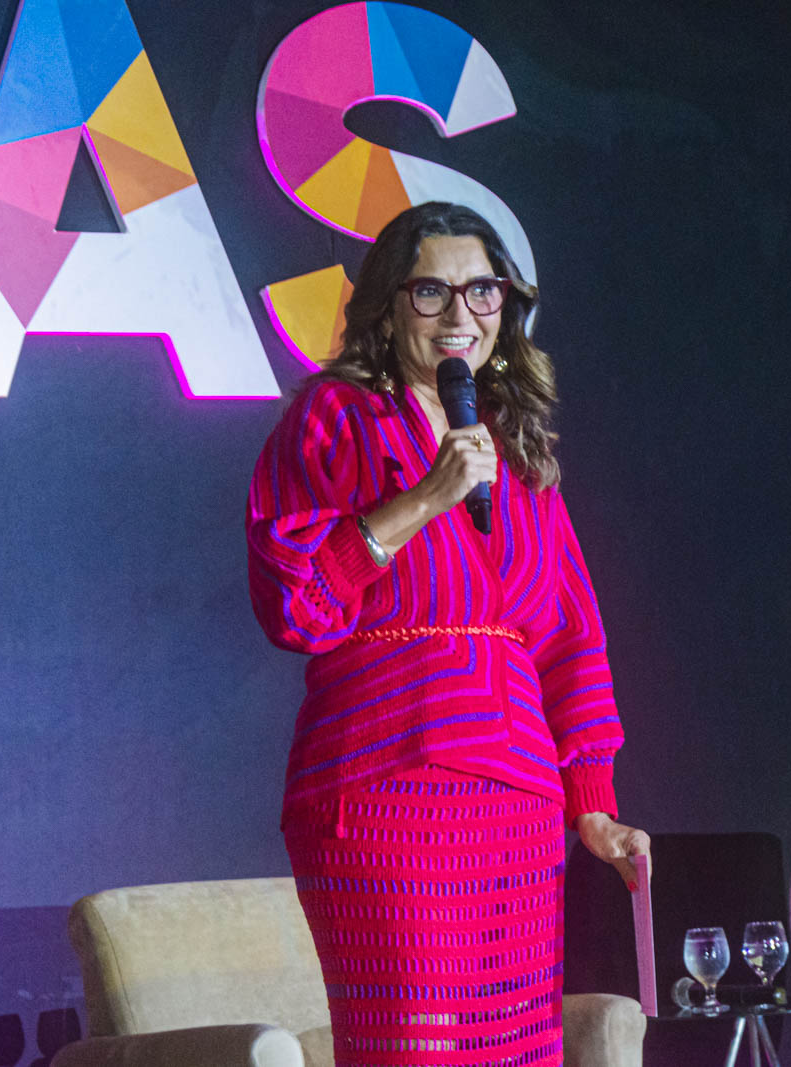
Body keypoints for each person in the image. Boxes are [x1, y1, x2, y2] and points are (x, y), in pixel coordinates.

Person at [246, 201, 649, 1066]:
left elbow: (569, 636)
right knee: (413, 1045)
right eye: (431, 291)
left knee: (512, 1050)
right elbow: (294, 604)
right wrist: (425, 498)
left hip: (518, 803)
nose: (460, 313)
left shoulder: (517, 450)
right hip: (384, 784)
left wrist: (593, 806)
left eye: (482, 291)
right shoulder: (334, 419)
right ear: (388, 307)